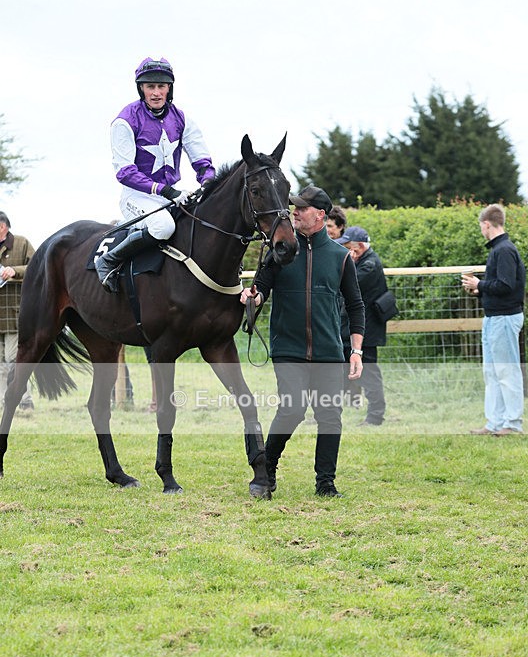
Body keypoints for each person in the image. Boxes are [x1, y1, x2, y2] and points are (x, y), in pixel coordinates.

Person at [240, 185, 365, 498]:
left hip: (329, 352)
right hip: (288, 348)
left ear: (320, 215)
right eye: (293, 207)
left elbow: (355, 306)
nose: (294, 212)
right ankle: (265, 473)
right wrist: (251, 298)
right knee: (292, 409)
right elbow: (260, 289)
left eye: (301, 208)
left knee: (330, 415)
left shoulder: (340, 257)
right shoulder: (279, 251)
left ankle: (326, 484)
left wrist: (356, 350)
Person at [95, 57, 215, 293]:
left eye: (162, 86)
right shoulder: (125, 120)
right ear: (141, 88)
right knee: (163, 228)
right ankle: (108, 260)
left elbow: (202, 161)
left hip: (171, 195)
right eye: (151, 86)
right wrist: (164, 190)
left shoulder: (181, 119)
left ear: (169, 88)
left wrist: (208, 183)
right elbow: (125, 172)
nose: (157, 92)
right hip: (136, 196)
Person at [462, 204, 526, 436]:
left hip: (504, 318)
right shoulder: (499, 250)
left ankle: (512, 423)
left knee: (506, 371)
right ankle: (495, 423)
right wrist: (481, 290)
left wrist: (479, 284)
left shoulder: (504, 250)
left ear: (487, 224)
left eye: (481, 227)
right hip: (494, 317)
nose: (481, 231)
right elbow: (502, 286)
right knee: (492, 372)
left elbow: (507, 285)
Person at [337, 226, 388, 426]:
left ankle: (375, 417)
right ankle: (330, 411)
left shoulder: (370, 265)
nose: (347, 251)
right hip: (357, 329)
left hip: (368, 330)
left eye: (349, 246)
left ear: (359, 246)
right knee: (342, 370)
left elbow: (347, 285)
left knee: (369, 374)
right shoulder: (364, 262)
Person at [0, 212, 35, 411]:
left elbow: (36, 266)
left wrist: (15, 271)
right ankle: (5, 402)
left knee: (13, 359)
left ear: (2, 226)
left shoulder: (21, 243)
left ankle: (25, 400)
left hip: (14, 314)